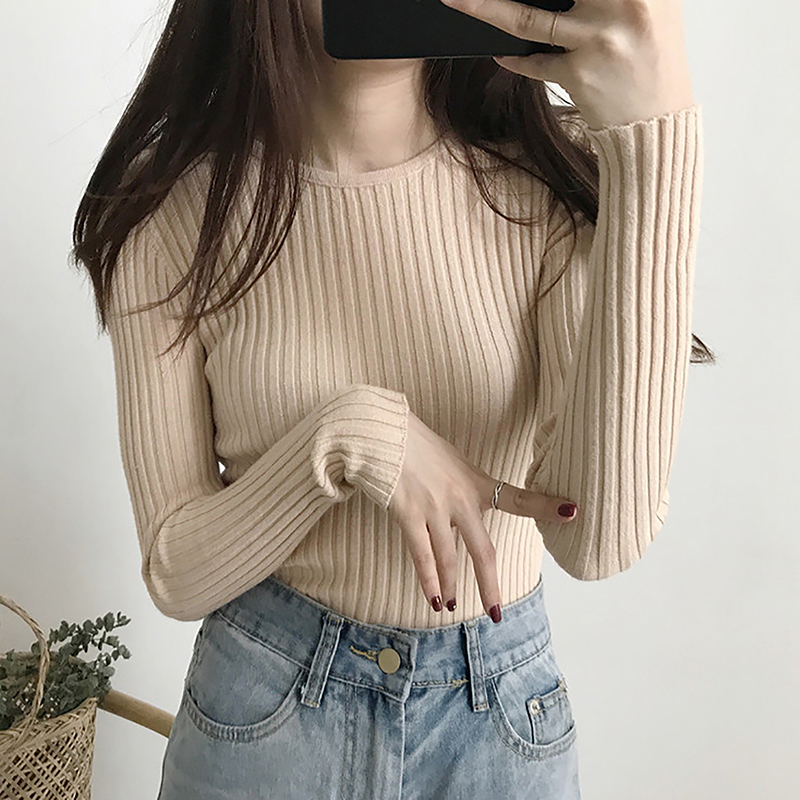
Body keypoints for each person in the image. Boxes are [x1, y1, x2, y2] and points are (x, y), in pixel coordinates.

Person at [72, 0, 707, 796]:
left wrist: (655, 140)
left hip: (497, 726)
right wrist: (351, 439)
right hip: (265, 705)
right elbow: (177, 570)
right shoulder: (173, 210)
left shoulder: (546, 182)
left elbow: (598, 542)